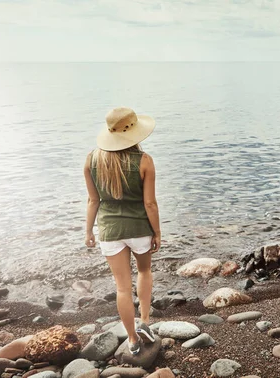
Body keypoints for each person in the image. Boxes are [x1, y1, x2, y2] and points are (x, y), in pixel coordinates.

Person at [83, 107, 161, 355]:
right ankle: (145, 322)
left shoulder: (91, 159)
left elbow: (93, 201)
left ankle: (132, 340)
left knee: (122, 288)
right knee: (145, 271)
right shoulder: (144, 161)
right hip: (139, 228)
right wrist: (157, 232)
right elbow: (150, 203)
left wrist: (88, 232)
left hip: (110, 230)